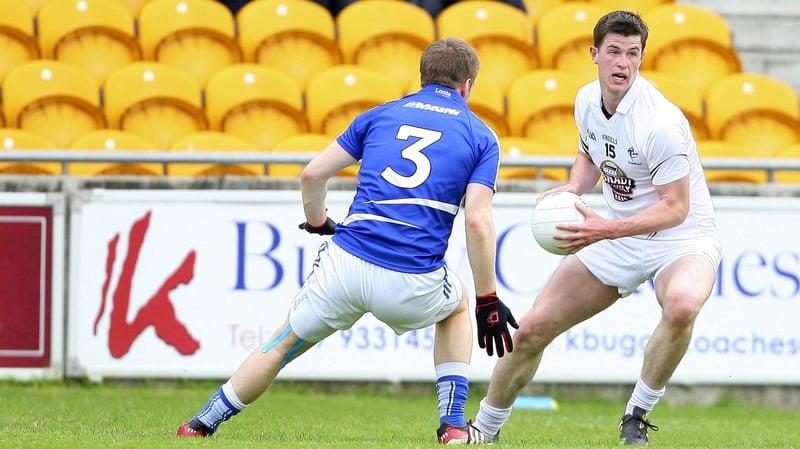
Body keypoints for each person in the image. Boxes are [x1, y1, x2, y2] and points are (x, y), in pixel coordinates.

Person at [176, 37, 518, 444]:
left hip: (346, 263)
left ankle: (200, 424)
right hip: (411, 278)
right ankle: (453, 425)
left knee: (283, 342)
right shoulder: (481, 136)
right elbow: (477, 221)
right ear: (467, 85)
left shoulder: (379, 115)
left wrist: (318, 222)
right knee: (457, 303)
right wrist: (487, 299)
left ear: (423, 77)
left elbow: (312, 175)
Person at [470, 10, 722, 446]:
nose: (623, 62)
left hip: (681, 238)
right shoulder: (587, 99)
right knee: (530, 330)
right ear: (595, 54)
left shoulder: (659, 123)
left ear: (642, 58)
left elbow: (675, 209)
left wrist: (606, 229)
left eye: (632, 53)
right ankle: (483, 430)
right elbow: (591, 154)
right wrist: (573, 188)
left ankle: (637, 414)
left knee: (681, 305)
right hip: (614, 230)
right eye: (614, 52)